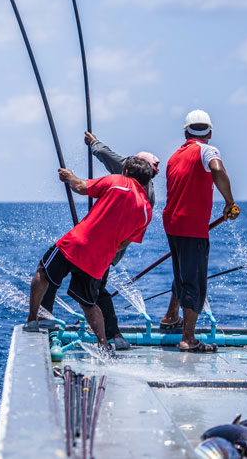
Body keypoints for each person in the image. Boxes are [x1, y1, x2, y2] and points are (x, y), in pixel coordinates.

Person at [39, 133, 160, 351]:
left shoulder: (123, 180)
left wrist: (93, 144)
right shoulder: (147, 198)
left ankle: (44, 318)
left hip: (94, 247)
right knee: (97, 290)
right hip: (110, 251)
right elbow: (126, 238)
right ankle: (114, 336)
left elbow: (106, 159)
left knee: (51, 275)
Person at [159, 109, 240, 352]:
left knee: (184, 271)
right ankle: (188, 339)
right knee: (194, 280)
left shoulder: (174, 156)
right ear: (210, 133)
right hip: (192, 228)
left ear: (185, 132)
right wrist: (229, 202)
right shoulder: (208, 150)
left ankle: (171, 316)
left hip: (173, 225)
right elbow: (217, 169)